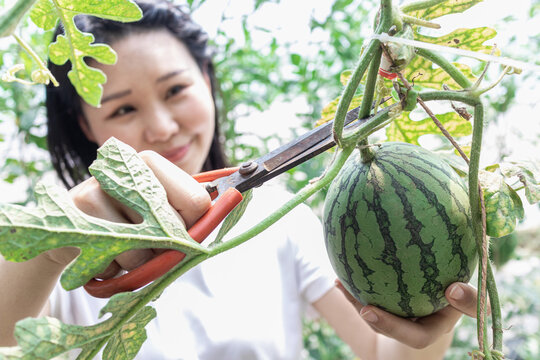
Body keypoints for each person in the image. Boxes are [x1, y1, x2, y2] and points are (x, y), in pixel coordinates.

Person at [0, 1, 482, 359]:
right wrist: (53, 248)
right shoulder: (63, 262)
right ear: (84, 126)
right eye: (124, 107)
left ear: (207, 82)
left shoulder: (281, 220)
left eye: (176, 90)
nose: (163, 127)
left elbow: (381, 352)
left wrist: (430, 315)